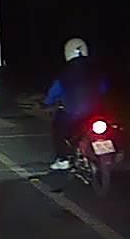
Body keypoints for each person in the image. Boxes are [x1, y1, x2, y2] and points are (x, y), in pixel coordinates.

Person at [43, 37, 108, 170]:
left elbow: (54, 92)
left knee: (57, 129)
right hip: (96, 111)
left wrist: (47, 102)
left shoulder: (65, 72)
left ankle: (63, 159)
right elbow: (104, 87)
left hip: (72, 113)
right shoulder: (95, 69)